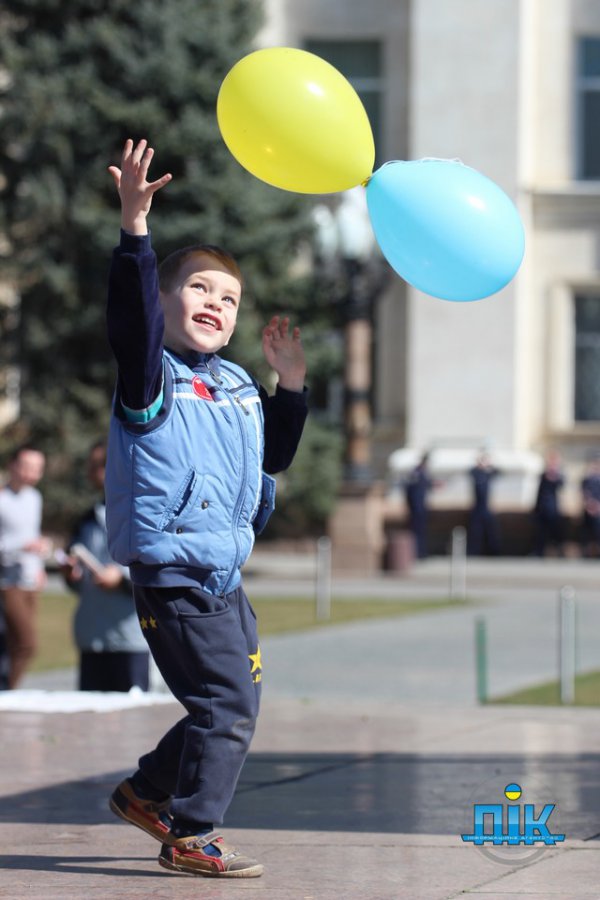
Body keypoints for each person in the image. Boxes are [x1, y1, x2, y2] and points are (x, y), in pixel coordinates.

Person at [104, 139, 307, 879]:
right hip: (175, 572)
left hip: (224, 576)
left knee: (231, 701)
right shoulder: (149, 380)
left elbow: (271, 459)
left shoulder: (238, 387)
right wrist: (136, 229)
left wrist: (290, 388)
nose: (215, 304)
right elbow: (130, 323)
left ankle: (146, 792)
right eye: (198, 289)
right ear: (163, 302)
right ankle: (191, 833)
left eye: (228, 297)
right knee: (227, 706)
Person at [62, 440, 150, 692]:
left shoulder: (143, 512)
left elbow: (160, 571)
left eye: (99, 465)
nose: (92, 472)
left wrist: (121, 579)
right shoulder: (86, 519)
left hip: (130, 640)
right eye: (90, 466)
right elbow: (76, 581)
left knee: (133, 724)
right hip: (92, 638)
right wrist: (72, 574)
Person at [0, 445, 49, 689]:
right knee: (26, 643)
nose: (32, 474)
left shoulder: (34, 498)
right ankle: (9, 692)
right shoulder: (3, 499)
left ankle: (8, 690)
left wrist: (39, 565)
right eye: (27, 467)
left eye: (38, 469)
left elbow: (33, 533)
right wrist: (21, 546)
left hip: (30, 579)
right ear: (13, 466)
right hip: (8, 581)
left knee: (13, 643)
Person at [467, 451, 501, 556]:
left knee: (491, 533)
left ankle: (494, 552)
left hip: (486, 508)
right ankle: (473, 552)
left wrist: (489, 464)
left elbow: (499, 472)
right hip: (477, 508)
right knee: (476, 532)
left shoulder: (488, 473)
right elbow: (471, 471)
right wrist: (479, 464)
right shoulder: (476, 473)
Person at [532, 449, 565, 557]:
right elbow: (539, 492)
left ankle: (559, 552)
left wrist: (554, 475)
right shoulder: (543, 475)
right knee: (541, 532)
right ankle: (538, 552)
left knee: (556, 532)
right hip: (542, 508)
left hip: (553, 509)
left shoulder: (559, 475)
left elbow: (561, 486)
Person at [404, 453, 436, 559]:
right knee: (416, 533)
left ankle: (421, 552)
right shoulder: (417, 472)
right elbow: (410, 491)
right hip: (416, 509)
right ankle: (417, 553)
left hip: (421, 508)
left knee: (421, 532)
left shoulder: (423, 472)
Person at [580, 456, 600, 558]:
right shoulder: (587, 479)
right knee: (586, 532)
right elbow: (584, 492)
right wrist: (589, 503)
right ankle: (586, 553)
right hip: (588, 509)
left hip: (598, 510)